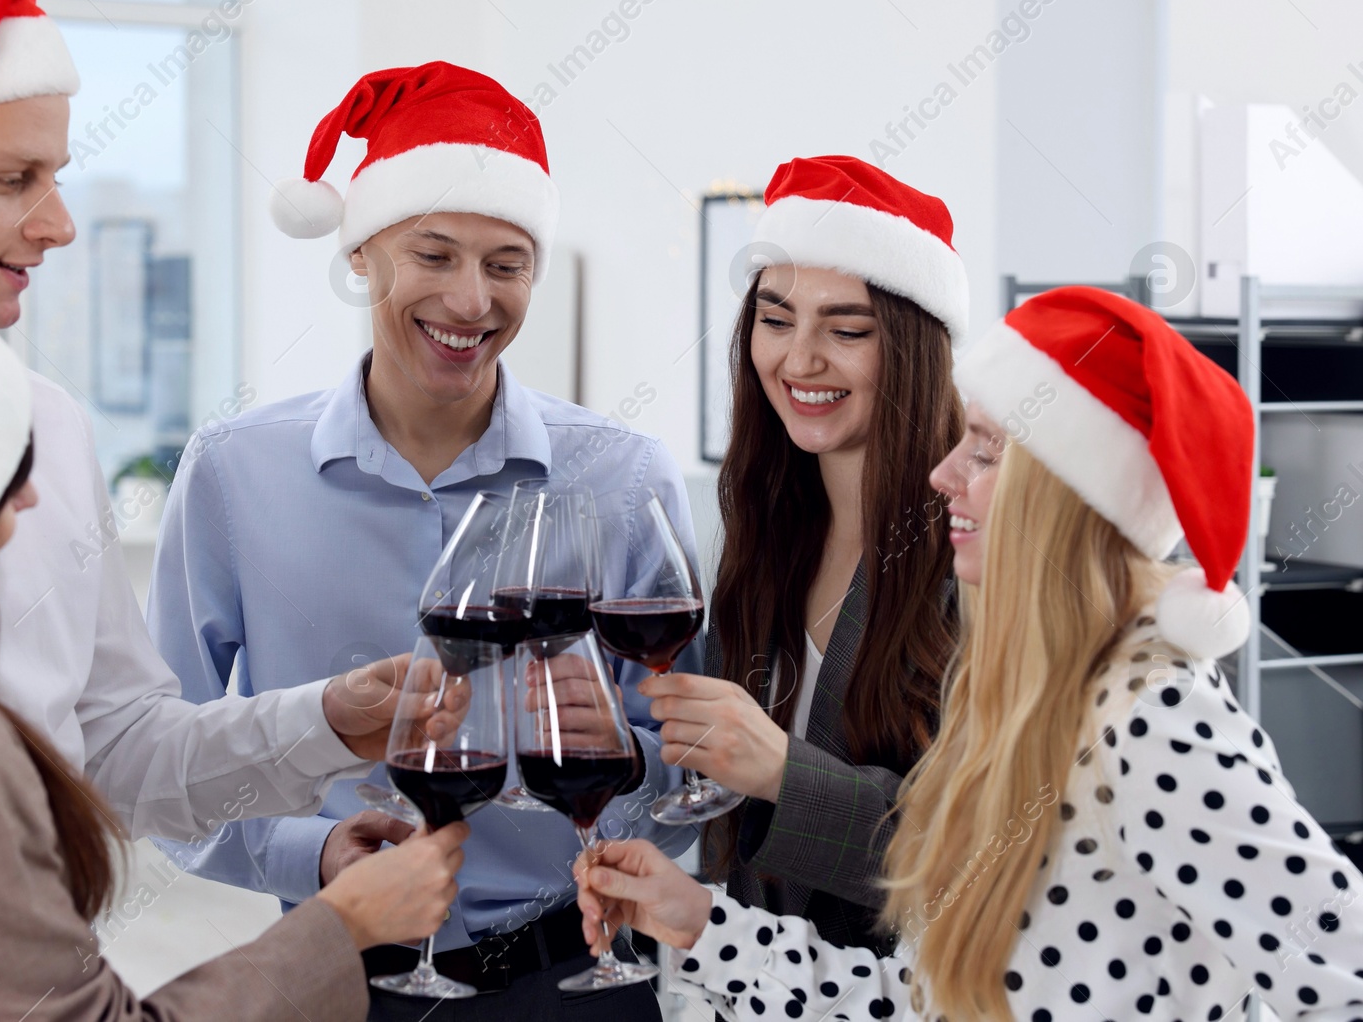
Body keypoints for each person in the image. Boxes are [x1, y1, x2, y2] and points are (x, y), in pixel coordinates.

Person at [570, 287, 1363, 1020]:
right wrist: (699, 924)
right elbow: (918, 1000)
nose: (946, 473)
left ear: (1061, 492)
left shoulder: (1152, 718)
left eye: (984, 451)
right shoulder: (1019, 702)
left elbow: (1343, 977)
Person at [0, 0, 402, 841]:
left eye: (55, 178)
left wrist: (326, 724)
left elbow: (110, 748)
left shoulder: (46, 424)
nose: (59, 224)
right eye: (15, 179)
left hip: (49, 975)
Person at [148, 61, 697, 1019]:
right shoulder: (235, 471)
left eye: (506, 264)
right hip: (331, 973)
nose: (472, 301)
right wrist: (307, 851)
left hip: (578, 976)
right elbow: (162, 759)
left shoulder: (622, 475)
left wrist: (615, 763)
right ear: (361, 255)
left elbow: (693, 768)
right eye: (434, 255)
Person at [0, 289, 469, 1020]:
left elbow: (116, 740)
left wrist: (324, 723)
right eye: (6, 473)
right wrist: (344, 924)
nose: (36, 500)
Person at [641, 155, 965, 950]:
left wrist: (784, 773)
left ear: (918, 349)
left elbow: (987, 858)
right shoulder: (767, 531)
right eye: (776, 320)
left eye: (847, 329)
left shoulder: (977, 550)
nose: (799, 359)